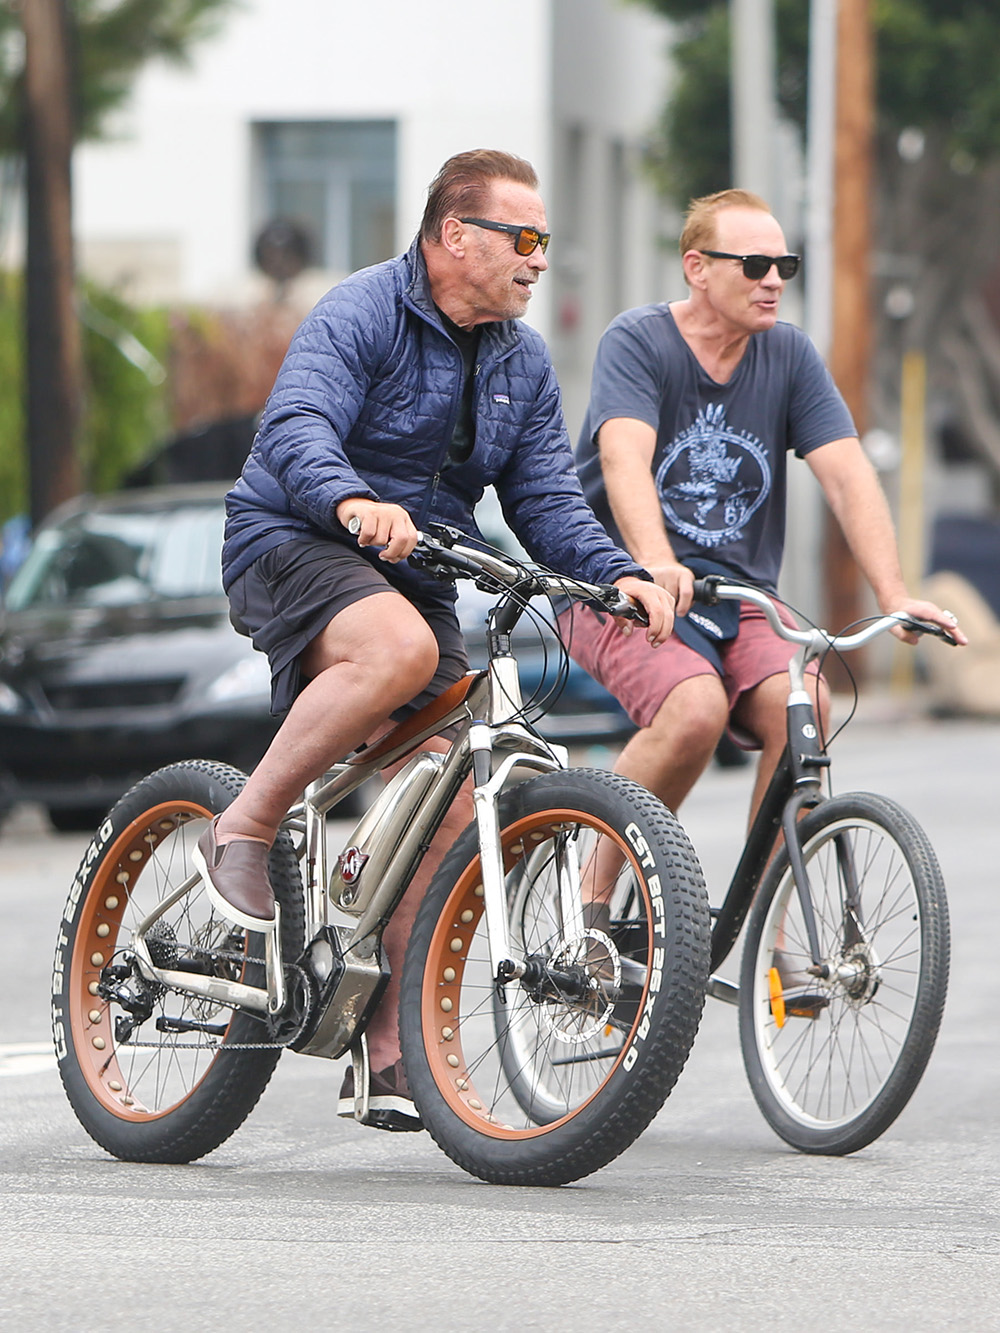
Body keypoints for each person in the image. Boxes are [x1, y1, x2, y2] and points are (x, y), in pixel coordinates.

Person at [192, 149, 675, 1130]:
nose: (539, 260)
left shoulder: (520, 357)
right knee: (402, 655)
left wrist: (617, 571)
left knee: (456, 798)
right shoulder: (361, 310)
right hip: (293, 538)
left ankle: (387, 1044)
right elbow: (295, 429)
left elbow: (544, 499)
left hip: (414, 569)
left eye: (544, 241)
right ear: (454, 236)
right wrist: (353, 499)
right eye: (523, 238)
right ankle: (242, 826)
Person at [559, 187, 967, 838]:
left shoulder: (790, 355)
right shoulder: (639, 341)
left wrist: (895, 595)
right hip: (621, 584)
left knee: (804, 708)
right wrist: (657, 561)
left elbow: (848, 476)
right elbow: (624, 460)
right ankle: (594, 905)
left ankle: (768, 919)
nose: (773, 280)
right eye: (754, 266)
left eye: (785, 267)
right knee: (694, 710)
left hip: (738, 592)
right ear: (698, 268)